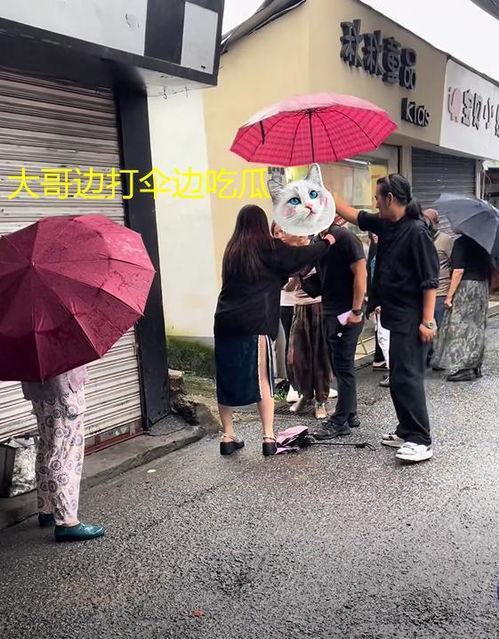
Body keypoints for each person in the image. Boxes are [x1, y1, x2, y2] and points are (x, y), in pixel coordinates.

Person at [214, 205, 335, 456]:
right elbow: (299, 256)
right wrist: (327, 242)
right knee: (262, 380)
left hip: (225, 322)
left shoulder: (232, 250)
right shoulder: (267, 247)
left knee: (225, 378)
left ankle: (228, 435)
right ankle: (268, 437)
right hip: (254, 323)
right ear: (262, 225)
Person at [333, 174, 439, 463]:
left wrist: (427, 320)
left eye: (377, 197)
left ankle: (421, 439)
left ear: (390, 198)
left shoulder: (416, 231)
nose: (375, 202)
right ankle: (406, 431)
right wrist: (322, 195)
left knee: (408, 377)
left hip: (412, 317)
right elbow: (354, 215)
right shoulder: (385, 224)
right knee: (397, 378)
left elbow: (430, 281)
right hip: (394, 314)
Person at [21, 366, 105, 542]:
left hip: (39, 391)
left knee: (47, 447)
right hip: (63, 390)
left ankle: (48, 509)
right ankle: (67, 522)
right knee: (64, 454)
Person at [301, 221, 367, 439]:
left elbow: (361, 273)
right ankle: (350, 413)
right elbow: (323, 275)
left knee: (343, 366)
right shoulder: (319, 240)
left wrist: (356, 310)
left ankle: (339, 421)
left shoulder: (345, 237)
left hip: (345, 312)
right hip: (331, 310)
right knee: (341, 366)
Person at [277, 232, 332, 421]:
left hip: (318, 307)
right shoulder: (292, 255)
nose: (284, 235)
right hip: (298, 308)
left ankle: (320, 400)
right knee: (296, 357)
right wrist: (293, 277)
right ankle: (305, 394)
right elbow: (287, 287)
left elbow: (327, 277)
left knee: (320, 355)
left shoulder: (316, 249)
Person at [431, 234, 491, 382]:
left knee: (461, 328)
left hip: (466, 287)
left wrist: (449, 296)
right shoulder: (483, 242)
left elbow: (458, 271)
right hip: (482, 285)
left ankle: (465, 367)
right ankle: (475, 365)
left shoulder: (460, 242)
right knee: (476, 327)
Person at [367, 232, 390, 388]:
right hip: (383, 301)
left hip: (385, 301)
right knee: (384, 337)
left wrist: (378, 302)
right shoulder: (379, 251)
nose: (374, 236)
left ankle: (392, 370)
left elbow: (380, 278)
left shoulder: (384, 254)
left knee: (385, 338)